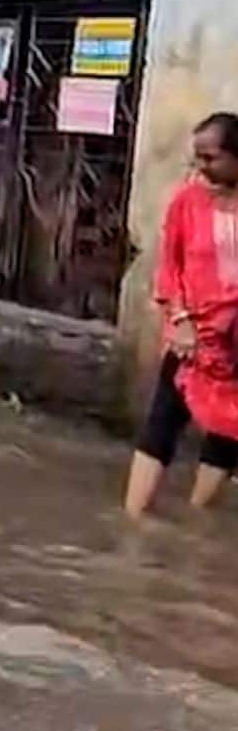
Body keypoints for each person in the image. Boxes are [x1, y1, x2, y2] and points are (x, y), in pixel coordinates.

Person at [124, 112, 238, 516]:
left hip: (235, 340)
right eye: (198, 158)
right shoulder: (187, 201)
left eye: (210, 158)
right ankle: (133, 521)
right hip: (191, 332)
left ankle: (196, 517)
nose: (201, 168)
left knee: (229, 431)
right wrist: (181, 319)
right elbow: (169, 268)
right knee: (163, 419)